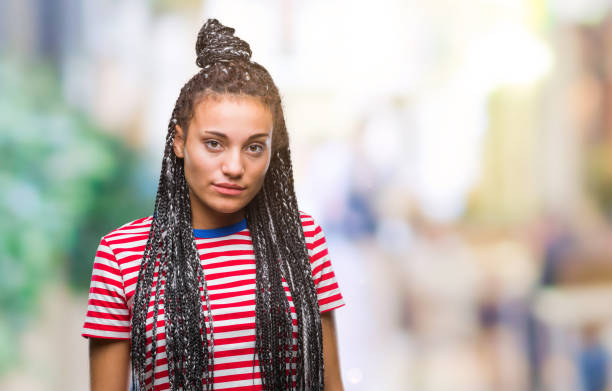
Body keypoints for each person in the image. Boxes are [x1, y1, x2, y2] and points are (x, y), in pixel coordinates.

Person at [81, 18, 346, 391]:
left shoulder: (303, 239)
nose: (234, 167)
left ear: (274, 152)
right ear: (179, 141)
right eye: (214, 143)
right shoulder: (121, 255)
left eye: (254, 147)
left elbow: (330, 384)